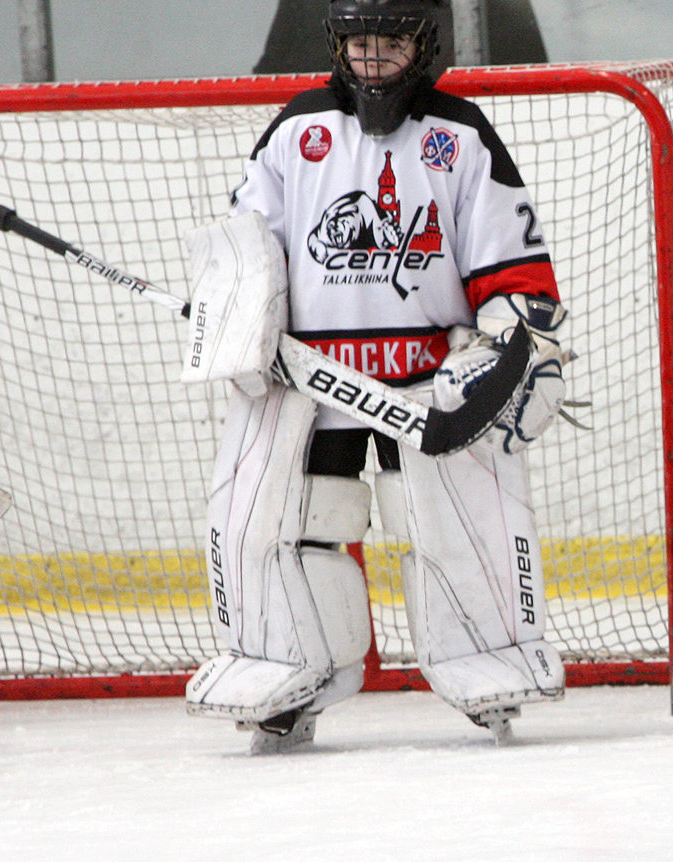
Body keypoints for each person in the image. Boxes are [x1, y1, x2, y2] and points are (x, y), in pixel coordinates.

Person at [183, 0, 569, 752]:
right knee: (290, 526)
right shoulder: (297, 130)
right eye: (360, 43)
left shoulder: (461, 136)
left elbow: (511, 264)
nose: (372, 59)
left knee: (448, 526)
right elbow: (245, 248)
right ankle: (289, 673)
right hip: (308, 385)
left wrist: (514, 342)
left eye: (390, 43)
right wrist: (232, 314)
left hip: (426, 380)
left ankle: (484, 661)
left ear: (424, 46)